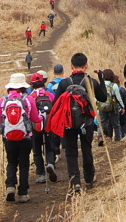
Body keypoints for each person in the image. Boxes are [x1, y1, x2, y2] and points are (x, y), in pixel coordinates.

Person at [50, 52, 107, 194]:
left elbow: (55, 104)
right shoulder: (90, 82)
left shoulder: (64, 83)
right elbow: (103, 98)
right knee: (87, 149)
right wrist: (101, 78)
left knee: (71, 152)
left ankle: (75, 182)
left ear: (71, 66)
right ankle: (89, 178)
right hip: (86, 122)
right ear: (86, 65)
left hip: (68, 123)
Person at [0, 73, 41, 203]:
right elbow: (35, 119)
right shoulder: (28, 100)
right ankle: (23, 193)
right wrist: (41, 119)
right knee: (24, 163)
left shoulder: (3, 100)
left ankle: (10, 186)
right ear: (24, 86)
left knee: (11, 162)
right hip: (25, 137)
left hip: (9, 138)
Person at [28, 72, 59, 184]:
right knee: (50, 148)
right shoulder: (49, 94)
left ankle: (41, 174)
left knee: (37, 150)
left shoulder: (30, 97)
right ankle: (50, 163)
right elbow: (56, 107)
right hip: (49, 125)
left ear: (32, 84)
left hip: (36, 127)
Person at [97, 69, 126, 141]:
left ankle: (101, 137)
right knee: (116, 124)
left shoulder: (100, 85)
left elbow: (97, 97)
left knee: (102, 123)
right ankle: (117, 139)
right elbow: (118, 98)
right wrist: (122, 107)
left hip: (102, 107)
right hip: (113, 107)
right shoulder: (114, 85)